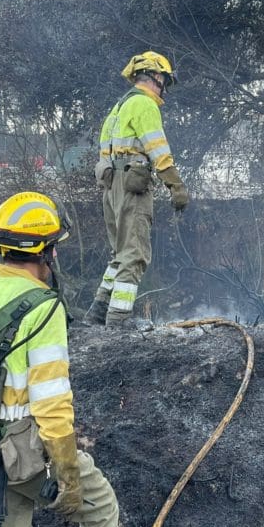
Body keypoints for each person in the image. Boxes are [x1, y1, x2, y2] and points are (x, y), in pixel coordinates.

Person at [0, 191, 119, 527]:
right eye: (52, 246)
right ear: (40, 252)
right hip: (23, 450)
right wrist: (68, 475)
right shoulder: (44, 306)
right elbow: (51, 402)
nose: (55, 253)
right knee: (100, 507)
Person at [84, 51, 189, 329]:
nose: (165, 85)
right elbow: (159, 150)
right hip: (133, 186)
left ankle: (98, 312)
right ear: (155, 76)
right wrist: (175, 186)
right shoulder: (144, 104)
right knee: (135, 253)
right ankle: (118, 319)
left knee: (119, 253)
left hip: (111, 186)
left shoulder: (118, 108)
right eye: (164, 79)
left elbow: (104, 151)